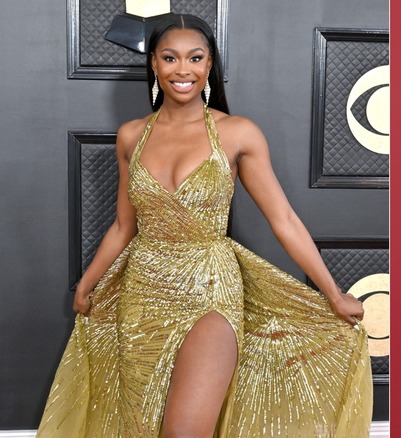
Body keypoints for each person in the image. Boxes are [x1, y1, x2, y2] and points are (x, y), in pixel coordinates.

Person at [37, 14, 372, 438]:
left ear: (209, 64)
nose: (183, 70)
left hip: (211, 288)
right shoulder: (131, 136)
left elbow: (283, 220)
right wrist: (86, 285)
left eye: (195, 58)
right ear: (154, 65)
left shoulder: (237, 134)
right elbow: (123, 227)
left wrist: (333, 292)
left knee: (185, 432)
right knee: (142, 428)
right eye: (170, 58)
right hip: (143, 292)